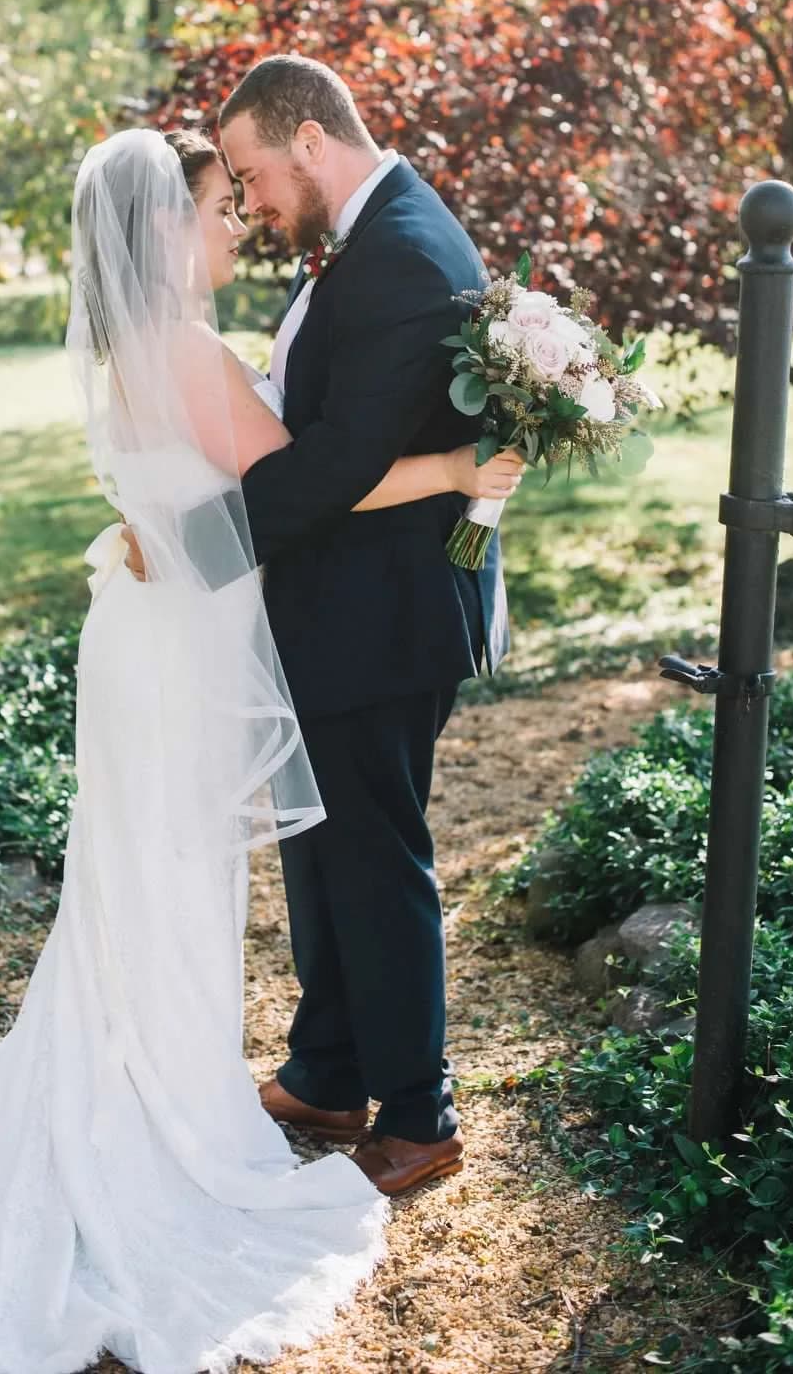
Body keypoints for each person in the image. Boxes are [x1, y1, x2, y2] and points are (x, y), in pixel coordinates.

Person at [0, 128, 519, 1374]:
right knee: (169, 876)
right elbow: (306, 483)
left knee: (142, 874)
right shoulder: (184, 349)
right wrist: (459, 466)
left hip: (151, 637)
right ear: (160, 227)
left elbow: (206, 505)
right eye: (218, 206)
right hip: (182, 650)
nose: (235, 225)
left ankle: (169, 1084)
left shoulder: (131, 348)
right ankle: (162, 1117)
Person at [127, 63, 516, 1200]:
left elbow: (334, 464)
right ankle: (329, 1069)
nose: (246, 201)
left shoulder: (399, 251)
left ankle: (417, 1111)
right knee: (323, 849)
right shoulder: (375, 233)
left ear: (307, 141)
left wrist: (188, 550)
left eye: (248, 173)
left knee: (373, 856)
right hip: (343, 608)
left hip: (383, 616)